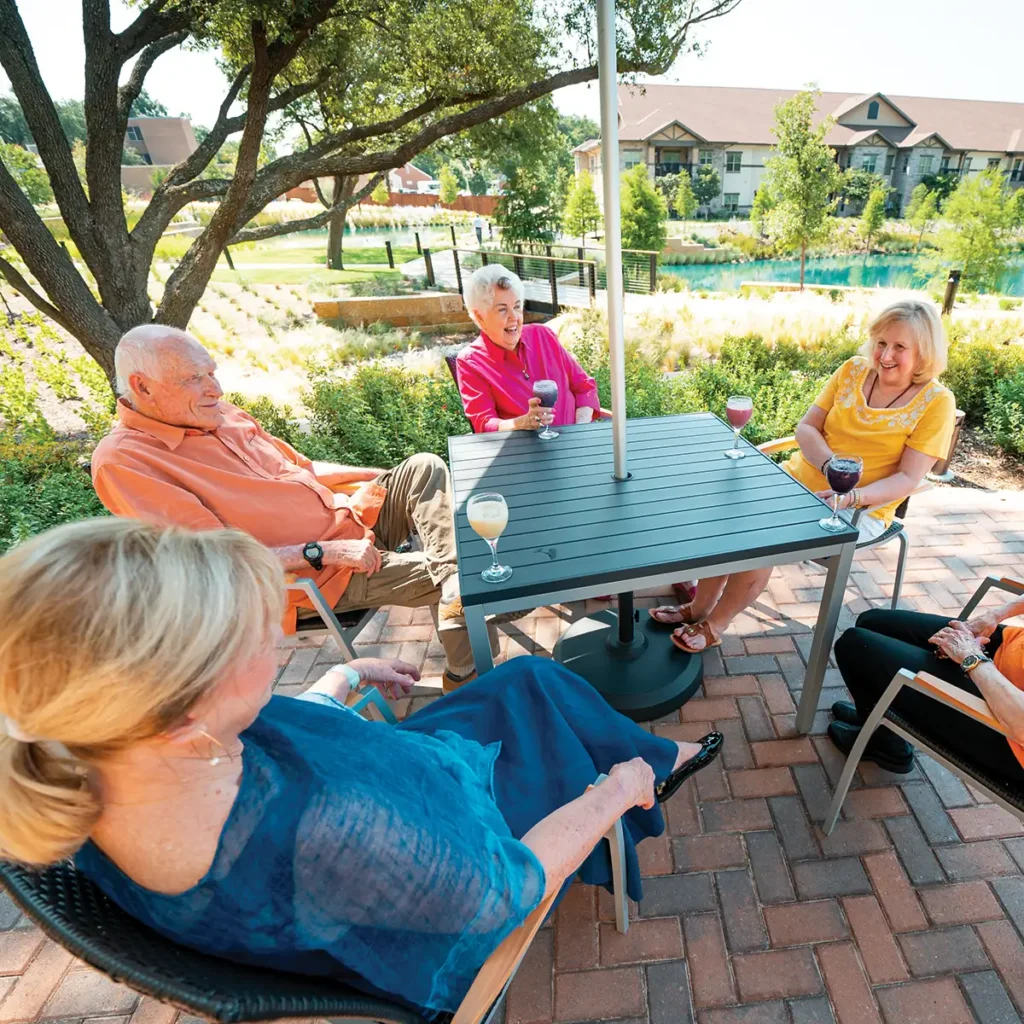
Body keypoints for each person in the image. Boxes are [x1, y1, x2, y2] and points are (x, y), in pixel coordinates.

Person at [0, 519, 723, 1018]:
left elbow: (246, 745)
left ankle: (656, 761)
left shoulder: (89, 757)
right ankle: (649, 776)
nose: (278, 642)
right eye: (260, 636)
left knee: (528, 682)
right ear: (185, 714)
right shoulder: (327, 832)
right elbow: (509, 888)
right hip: (463, 838)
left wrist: (336, 687)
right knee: (554, 716)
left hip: (404, 781)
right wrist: (611, 794)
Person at [91, 324, 497, 693]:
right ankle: (466, 674)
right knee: (469, 573)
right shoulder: (126, 462)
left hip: (349, 523)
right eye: (194, 378)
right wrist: (325, 552)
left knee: (423, 467)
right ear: (142, 387)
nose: (214, 388)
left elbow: (304, 469)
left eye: (211, 372)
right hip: (317, 577)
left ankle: (453, 588)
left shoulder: (222, 414)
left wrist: (387, 475)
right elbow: (214, 559)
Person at [650, 299, 957, 654]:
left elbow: (907, 478)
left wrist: (851, 495)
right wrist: (830, 467)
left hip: (859, 507)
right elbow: (807, 427)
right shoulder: (853, 370)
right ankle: (699, 606)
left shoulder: (937, 402)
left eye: (900, 347)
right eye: (881, 342)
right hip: (797, 480)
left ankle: (715, 623)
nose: (885, 355)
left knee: (760, 538)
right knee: (728, 516)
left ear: (924, 352)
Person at [830, 596, 1024, 777]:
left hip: (1009, 730)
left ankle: (887, 746)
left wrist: (972, 659)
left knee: (855, 645)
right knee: (872, 622)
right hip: (1010, 646)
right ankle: (874, 719)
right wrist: (995, 615)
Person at [456, 265, 603, 434]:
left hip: (574, 443)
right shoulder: (471, 362)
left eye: (517, 307)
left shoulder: (543, 336)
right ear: (480, 317)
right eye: (502, 309)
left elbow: (584, 387)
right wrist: (522, 423)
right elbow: (484, 423)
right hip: (526, 455)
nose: (514, 317)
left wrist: (579, 431)